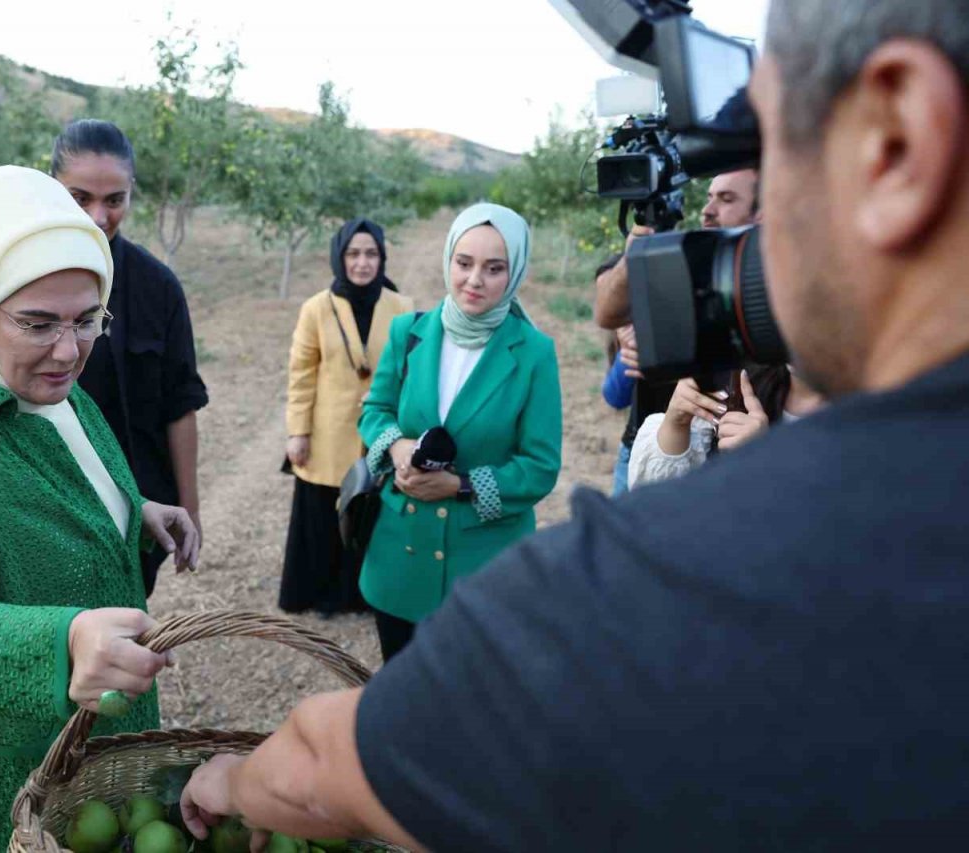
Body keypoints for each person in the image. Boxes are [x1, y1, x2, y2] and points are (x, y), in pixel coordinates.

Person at [177, 1, 969, 848]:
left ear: (894, 140)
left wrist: (234, 778)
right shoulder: (412, 332)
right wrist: (396, 447)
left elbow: (345, 764)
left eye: (773, 151)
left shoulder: (682, 577)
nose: (746, 233)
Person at [0, 166, 199, 853]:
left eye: (88, 319)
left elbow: (58, 477)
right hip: (2, 752)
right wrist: (62, 643)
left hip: (79, 730)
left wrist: (132, 506)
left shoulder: (59, 394)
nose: (69, 349)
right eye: (37, 322)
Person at [355, 203, 562, 660]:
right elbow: (375, 411)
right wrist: (398, 448)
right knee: (401, 691)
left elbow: (540, 466)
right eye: (464, 263)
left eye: (494, 268)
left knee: (469, 705)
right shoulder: (408, 332)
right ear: (448, 259)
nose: (474, 280)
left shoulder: (533, 353)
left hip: (484, 568)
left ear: (516, 271)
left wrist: (461, 485)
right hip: (400, 557)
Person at [51, 119, 209, 597]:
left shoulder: (158, 288)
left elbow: (179, 404)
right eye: (80, 198)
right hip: (51, 508)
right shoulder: (21, 278)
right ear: (50, 186)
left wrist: (191, 508)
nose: (98, 216)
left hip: (143, 510)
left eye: (114, 200)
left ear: (131, 193)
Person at [597, 169, 762, 495]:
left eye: (726, 199)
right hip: (651, 452)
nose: (707, 210)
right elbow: (606, 312)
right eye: (709, 196)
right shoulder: (678, 263)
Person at [281, 219, 414, 616]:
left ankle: (362, 596)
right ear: (339, 257)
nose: (362, 262)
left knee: (371, 512)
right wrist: (297, 431)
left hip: (381, 432)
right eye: (353, 254)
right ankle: (320, 596)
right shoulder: (316, 308)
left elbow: (411, 371)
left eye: (371, 253)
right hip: (327, 433)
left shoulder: (402, 308)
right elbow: (302, 373)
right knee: (323, 515)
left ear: (382, 258)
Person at [628, 363, 825, 488]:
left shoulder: (852, 418)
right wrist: (677, 422)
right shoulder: (742, 376)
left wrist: (765, 457)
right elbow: (656, 500)